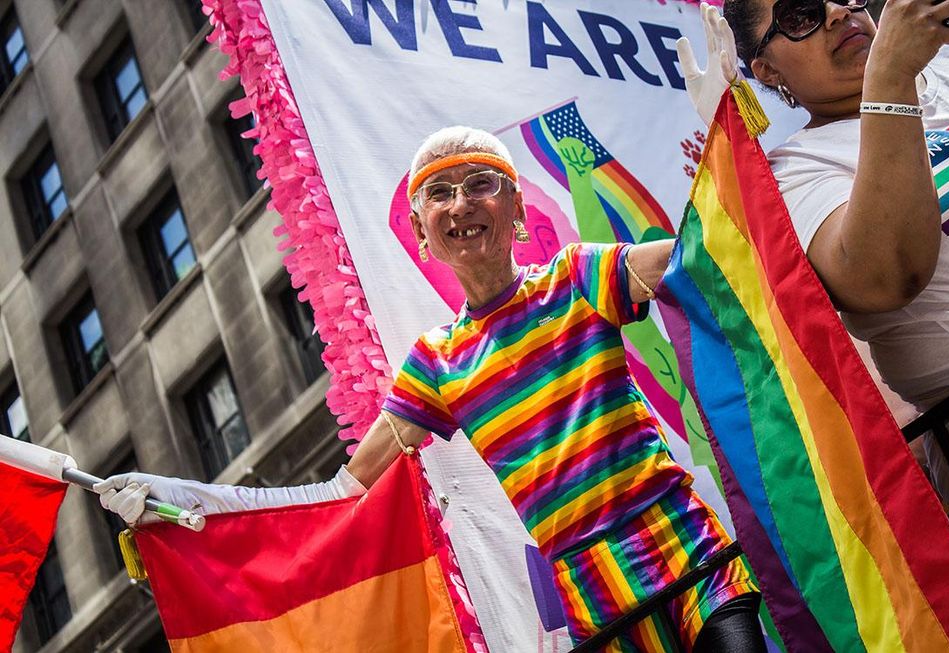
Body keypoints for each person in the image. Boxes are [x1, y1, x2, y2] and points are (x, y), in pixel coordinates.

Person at [97, 128, 766, 651]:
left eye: (481, 183)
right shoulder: (437, 362)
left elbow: (693, 256)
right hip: (594, 597)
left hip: (684, 548)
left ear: (517, 209)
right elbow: (344, 492)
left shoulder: (576, 278)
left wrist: (743, 157)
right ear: (422, 232)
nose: (461, 203)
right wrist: (190, 502)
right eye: (439, 192)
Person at [677, 0, 949, 552]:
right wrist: (890, 79)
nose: (840, 12)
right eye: (800, 15)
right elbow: (885, 276)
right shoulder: (793, 172)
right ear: (767, 69)